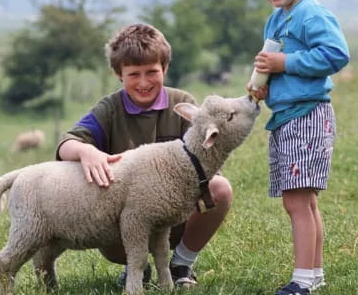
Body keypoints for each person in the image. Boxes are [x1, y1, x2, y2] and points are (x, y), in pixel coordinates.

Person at [56, 23, 233, 288]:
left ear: (165, 69)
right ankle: (135, 268)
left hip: (177, 216)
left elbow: (207, 160)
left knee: (220, 188)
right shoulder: (110, 109)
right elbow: (66, 143)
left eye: (152, 72)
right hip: (124, 224)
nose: (143, 82)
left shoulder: (181, 102)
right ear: (119, 74)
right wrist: (85, 150)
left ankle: (181, 265)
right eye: (133, 74)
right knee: (128, 227)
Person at [247, 0, 349, 294]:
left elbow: (336, 55)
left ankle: (302, 281)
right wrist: (266, 86)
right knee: (303, 201)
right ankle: (314, 275)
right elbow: (278, 70)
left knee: (296, 201)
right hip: (287, 116)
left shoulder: (312, 13)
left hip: (308, 116)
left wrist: (285, 62)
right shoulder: (275, 21)